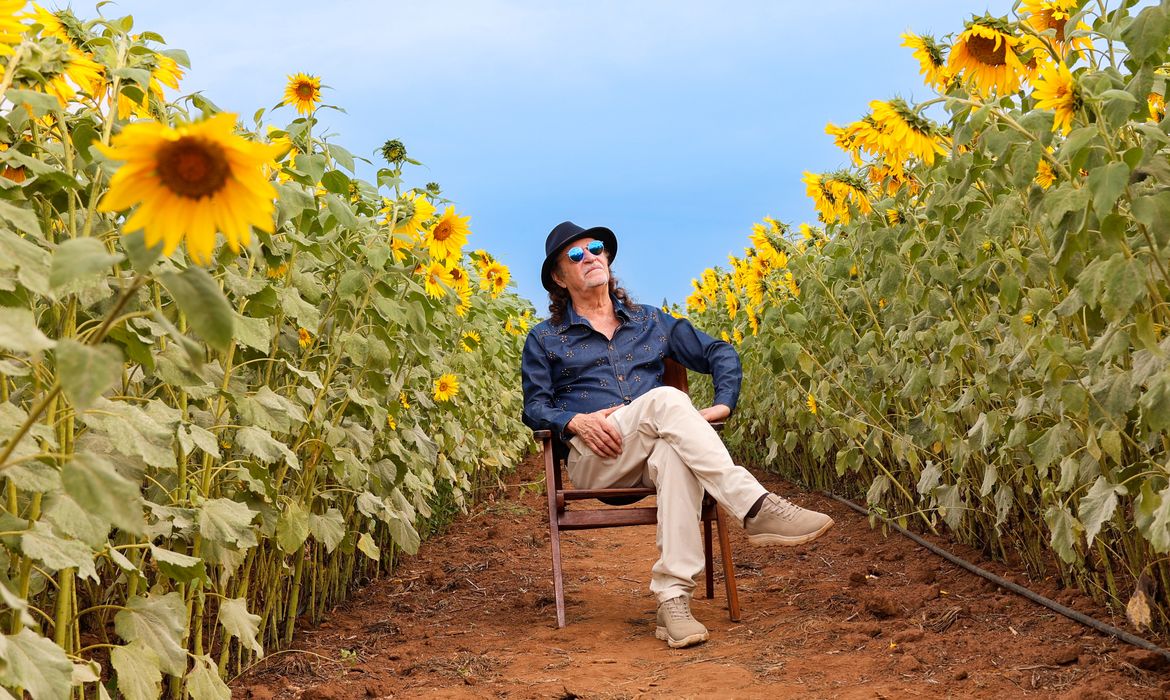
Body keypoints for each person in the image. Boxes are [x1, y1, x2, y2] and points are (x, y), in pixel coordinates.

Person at [521, 221, 834, 648]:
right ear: (559, 278)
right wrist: (576, 421)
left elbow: (718, 351)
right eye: (576, 255)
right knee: (668, 398)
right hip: (597, 458)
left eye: (596, 248)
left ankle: (673, 602)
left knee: (675, 454)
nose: (590, 256)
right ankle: (754, 506)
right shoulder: (544, 338)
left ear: (607, 258)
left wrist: (723, 403)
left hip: (651, 455)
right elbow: (534, 406)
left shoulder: (651, 322)